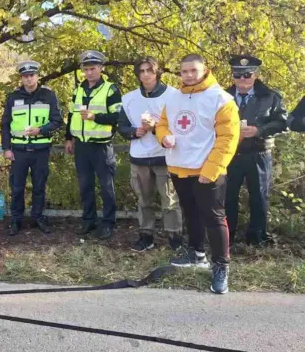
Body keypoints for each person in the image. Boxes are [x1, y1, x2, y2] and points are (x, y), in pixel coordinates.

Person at [156, 54, 239, 295]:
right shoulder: (173, 97)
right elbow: (162, 123)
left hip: (207, 170)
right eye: (184, 71)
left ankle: (221, 266)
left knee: (214, 218)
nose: (189, 75)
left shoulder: (221, 99)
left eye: (194, 70)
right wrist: (163, 136)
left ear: (205, 70)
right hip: (179, 167)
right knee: (190, 213)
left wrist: (211, 170)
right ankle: (196, 253)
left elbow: (228, 139)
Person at [118, 57, 183, 252]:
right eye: (142, 71)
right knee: (143, 200)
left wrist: (157, 129)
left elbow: (181, 126)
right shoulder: (128, 98)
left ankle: (175, 237)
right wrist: (133, 132)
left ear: (157, 73)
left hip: (166, 156)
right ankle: (146, 236)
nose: (145, 74)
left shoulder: (174, 96)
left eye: (149, 70)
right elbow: (121, 126)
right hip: (139, 157)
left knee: (170, 201)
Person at [225, 55, 288, 246]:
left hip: (258, 153)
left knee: (259, 197)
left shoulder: (270, 96)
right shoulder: (222, 96)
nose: (242, 79)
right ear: (233, 75)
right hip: (230, 155)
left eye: (247, 74)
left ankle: (257, 239)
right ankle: (226, 237)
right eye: (238, 75)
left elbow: (283, 123)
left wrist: (259, 131)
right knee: (227, 196)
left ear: (255, 74)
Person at [0, 61, 63, 236]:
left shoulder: (48, 95)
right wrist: (6, 148)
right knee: (17, 187)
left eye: (31, 75)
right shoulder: (13, 97)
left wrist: (41, 130)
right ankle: (16, 220)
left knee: (39, 186)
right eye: (25, 76)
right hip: (18, 150)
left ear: (37, 76)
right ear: (21, 78)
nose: (28, 79)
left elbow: (57, 121)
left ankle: (38, 217)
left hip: (41, 150)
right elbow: (5, 125)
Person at [65, 51, 123, 240]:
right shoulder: (78, 90)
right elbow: (72, 116)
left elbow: (118, 117)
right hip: (81, 146)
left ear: (101, 68)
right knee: (85, 186)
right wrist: (69, 138)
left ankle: (108, 223)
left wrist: (95, 117)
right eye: (86, 69)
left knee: (106, 187)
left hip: (101, 146)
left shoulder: (110, 89)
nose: (89, 72)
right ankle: (88, 220)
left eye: (93, 68)